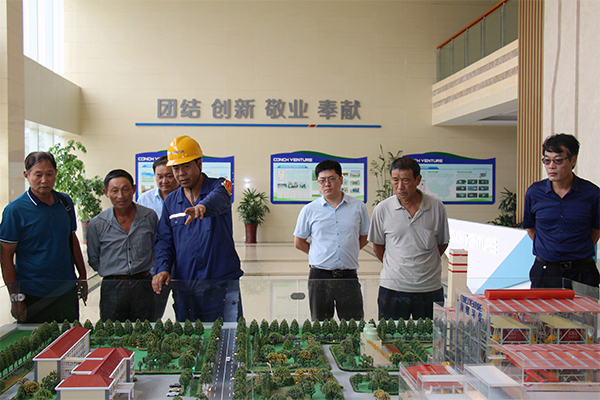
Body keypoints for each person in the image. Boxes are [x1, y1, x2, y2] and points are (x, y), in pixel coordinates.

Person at [152, 135, 243, 322]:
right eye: (176, 168)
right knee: (189, 337)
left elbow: (220, 197)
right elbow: (164, 241)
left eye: (186, 166)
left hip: (221, 283)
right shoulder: (171, 201)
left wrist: (203, 207)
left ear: (199, 163)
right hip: (186, 286)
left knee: (226, 335)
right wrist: (162, 268)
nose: (181, 174)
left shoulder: (219, 187)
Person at [0, 152, 87, 323]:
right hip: (32, 293)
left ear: (56, 173)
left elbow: (71, 239)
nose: (44, 180)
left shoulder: (65, 202)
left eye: (49, 174)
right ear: (27, 175)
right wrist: (15, 298)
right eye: (38, 175)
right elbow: (5, 256)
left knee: (70, 336)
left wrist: (82, 275)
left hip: (66, 290)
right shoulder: (15, 210)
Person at [368, 157, 449, 320]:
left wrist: (423, 265)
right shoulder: (382, 209)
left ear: (418, 180)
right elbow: (378, 247)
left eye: (405, 180)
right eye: (395, 180)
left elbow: (442, 243)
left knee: (429, 334)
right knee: (391, 333)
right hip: (393, 288)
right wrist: (397, 266)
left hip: (429, 288)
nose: (400, 187)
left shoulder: (436, 207)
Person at [293, 160, 369, 321]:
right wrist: (320, 253)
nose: (327, 184)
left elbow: (365, 237)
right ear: (318, 183)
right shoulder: (309, 210)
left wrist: (348, 249)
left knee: (353, 325)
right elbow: (299, 242)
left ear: (341, 180)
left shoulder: (358, 207)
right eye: (322, 180)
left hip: (348, 277)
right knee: (321, 326)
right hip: (319, 276)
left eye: (331, 179)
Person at [523, 133, 599, 289]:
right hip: (545, 271)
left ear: (573, 160)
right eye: (547, 161)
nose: (551, 166)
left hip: (582, 272)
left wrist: (576, 250)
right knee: (541, 307)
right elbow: (530, 228)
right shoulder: (534, 192)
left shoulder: (592, 194)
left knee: (585, 306)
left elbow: (596, 230)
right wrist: (550, 248)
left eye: (558, 161)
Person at [87, 169, 158, 322]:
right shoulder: (97, 223)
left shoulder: (149, 217)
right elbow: (94, 258)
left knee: (145, 330)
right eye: (114, 191)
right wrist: (114, 272)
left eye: (125, 189)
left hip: (143, 285)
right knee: (113, 331)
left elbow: (157, 248)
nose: (121, 195)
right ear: (106, 193)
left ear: (134, 189)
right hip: (112, 287)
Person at [137, 155, 179, 320]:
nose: (164, 181)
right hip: (156, 265)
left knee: (185, 309)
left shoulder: (187, 198)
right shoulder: (145, 200)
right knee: (153, 311)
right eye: (160, 176)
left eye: (169, 176)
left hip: (183, 264)